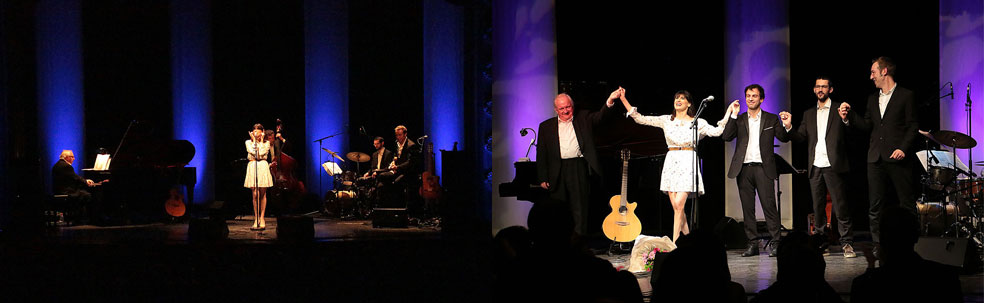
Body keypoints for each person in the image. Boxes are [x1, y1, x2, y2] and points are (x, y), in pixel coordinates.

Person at [619, 88, 735, 243]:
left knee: (679, 204)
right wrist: (623, 99)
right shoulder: (667, 120)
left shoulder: (698, 122)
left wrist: (729, 113)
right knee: (677, 207)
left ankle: (674, 244)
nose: (678, 100)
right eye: (676, 98)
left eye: (682, 98)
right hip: (672, 160)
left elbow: (717, 131)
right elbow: (640, 118)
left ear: (688, 103)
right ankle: (689, 243)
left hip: (688, 160)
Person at [841, 57, 918, 256]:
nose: (871, 76)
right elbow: (867, 125)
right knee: (875, 205)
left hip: (898, 156)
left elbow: (912, 126)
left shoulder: (906, 95)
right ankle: (878, 245)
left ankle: (911, 245)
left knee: (906, 203)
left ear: (884, 72)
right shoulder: (872, 98)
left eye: (873, 72)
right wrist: (849, 116)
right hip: (875, 157)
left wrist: (903, 148)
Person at [783, 76, 856, 258]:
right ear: (814, 90)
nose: (820, 89)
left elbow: (851, 133)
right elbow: (800, 137)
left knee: (840, 206)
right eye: (817, 86)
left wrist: (846, 119)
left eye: (824, 86)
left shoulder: (839, 109)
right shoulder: (808, 114)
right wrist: (789, 126)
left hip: (834, 165)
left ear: (830, 89)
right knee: (818, 207)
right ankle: (821, 243)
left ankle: (847, 242)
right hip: (815, 165)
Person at [536, 90, 619, 235]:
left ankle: (579, 241)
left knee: (579, 207)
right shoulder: (545, 127)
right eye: (562, 108)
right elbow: (541, 154)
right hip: (557, 171)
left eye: (568, 107)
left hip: (578, 167)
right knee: (558, 208)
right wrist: (543, 177)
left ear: (572, 106)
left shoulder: (584, 118)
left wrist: (610, 99)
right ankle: (561, 242)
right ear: (556, 110)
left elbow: (600, 117)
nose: (565, 111)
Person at [722, 84, 790, 257]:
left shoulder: (771, 118)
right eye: (748, 95)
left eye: (754, 95)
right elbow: (727, 136)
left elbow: (783, 137)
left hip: (763, 168)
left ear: (761, 99)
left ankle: (775, 243)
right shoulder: (740, 118)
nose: (750, 98)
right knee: (748, 209)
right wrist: (733, 115)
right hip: (743, 169)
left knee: (769, 207)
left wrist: (786, 125)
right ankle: (752, 244)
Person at [850, 206, 962, 302]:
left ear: (881, 239)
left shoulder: (863, 285)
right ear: (916, 237)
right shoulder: (946, 279)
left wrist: (871, 266)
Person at [51, 150, 100, 224]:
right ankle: (87, 219)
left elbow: (72, 178)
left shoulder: (57, 165)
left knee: (83, 193)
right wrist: (86, 181)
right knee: (87, 195)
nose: (74, 159)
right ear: (67, 157)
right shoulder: (66, 166)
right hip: (66, 191)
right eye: (72, 157)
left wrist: (84, 181)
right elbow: (75, 177)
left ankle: (78, 218)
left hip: (59, 190)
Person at [245, 123, 273, 230]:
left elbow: (261, 153)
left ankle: (262, 217)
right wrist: (255, 141)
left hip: (262, 165)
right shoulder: (248, 142)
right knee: (255, 193)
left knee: (262, 193)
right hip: (252, 165)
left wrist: (260, 141)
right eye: (254, 131)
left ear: (262, 132)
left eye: (258, 131)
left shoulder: (266, 143)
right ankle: (256, 218)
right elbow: (253, 152)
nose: (256, 133)